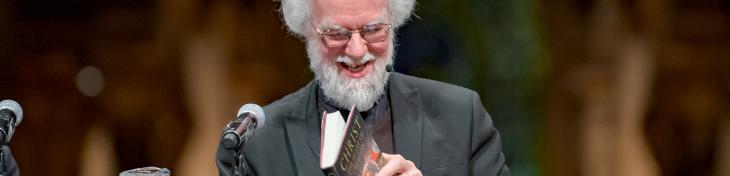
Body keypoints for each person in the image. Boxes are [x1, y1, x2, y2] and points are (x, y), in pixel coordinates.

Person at [216, 0, 510, 175]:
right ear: (306, 30)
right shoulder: (261, 142)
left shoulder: (461, 116)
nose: (357, 50)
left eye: (373, 30)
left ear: (394, 22)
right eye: (336, 33)